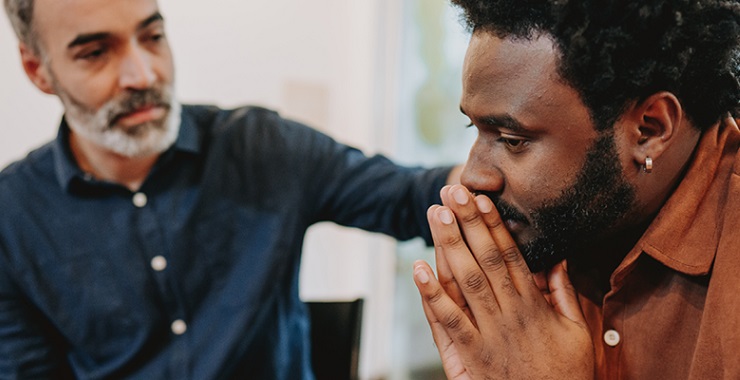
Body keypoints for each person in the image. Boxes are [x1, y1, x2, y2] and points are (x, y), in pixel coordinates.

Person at [0, 0, 460, 378]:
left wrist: (512, 157)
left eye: (152, 37)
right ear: (37, 68)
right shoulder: (12, 215)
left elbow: (414, 197)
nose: (143, 75)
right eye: (96, 52)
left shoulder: (263, 147)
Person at [412, 0, 740, 379]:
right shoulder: (550, 231)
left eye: (512, 139)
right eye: (475, 128)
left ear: (649, 130)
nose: (471, 176)